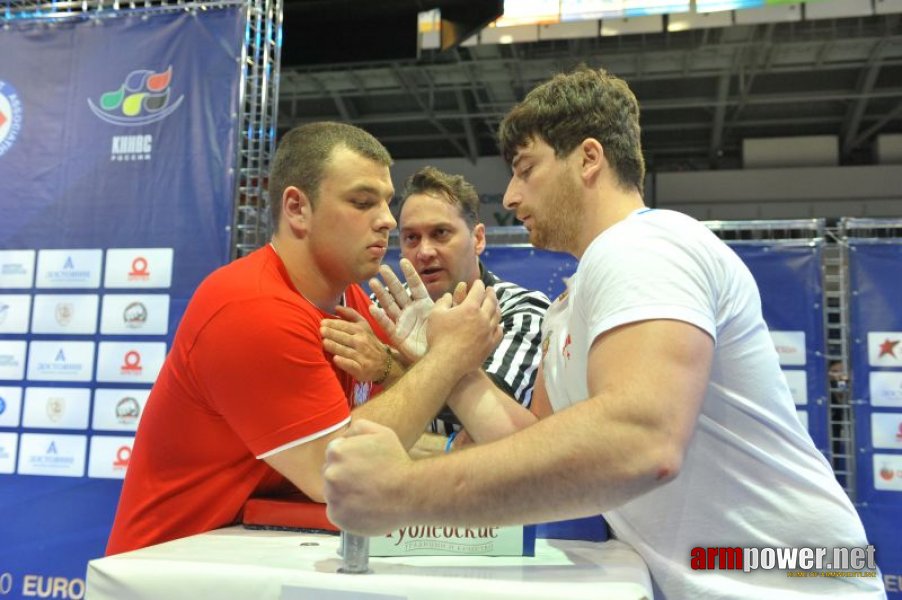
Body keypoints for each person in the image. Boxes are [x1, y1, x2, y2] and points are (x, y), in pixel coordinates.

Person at [322, 68, 886, 599]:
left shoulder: (646, 245)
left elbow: (639, 441)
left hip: (795, 579)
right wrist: (448, 366)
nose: (512, 195)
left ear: (588, 158)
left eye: (525, 167)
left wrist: (402, 493)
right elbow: (535, 444)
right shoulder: (571, 299)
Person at [105, 122, 501, 555]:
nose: (388, 220)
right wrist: (447, 358)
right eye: (363, 201)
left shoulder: (350, 298)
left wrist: (445, 436)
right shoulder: (250, 307)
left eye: (387, 203)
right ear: (297, 208)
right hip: (167, 572)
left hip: (249, 560)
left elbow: (373, 431)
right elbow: (336, 473)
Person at [321, 166, 550, 454]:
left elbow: (496, 415)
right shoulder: (381, 310)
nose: (424, 251)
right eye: (411, 238)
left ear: (478, 239)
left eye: (440, 233)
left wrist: (388, 368)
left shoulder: (522, 311)